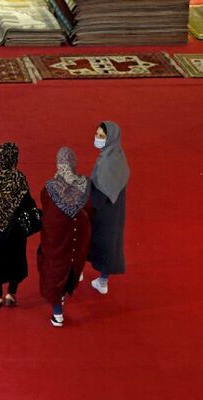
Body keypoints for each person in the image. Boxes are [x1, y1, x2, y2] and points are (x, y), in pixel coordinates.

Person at [38, 147, 93, 327]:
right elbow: (91, 210)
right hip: (79, 234)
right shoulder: (85, 184)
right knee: (71, 263)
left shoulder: (50, 188)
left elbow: (46, 207)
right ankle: (65, 292)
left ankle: (58, 313)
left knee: (54, 266)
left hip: (57, 235)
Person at [0, 142, 37, 308]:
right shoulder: (18, 178)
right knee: (15, 260)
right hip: (15, 229)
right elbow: (27, 203)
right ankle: (11, 294)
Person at [89, 121, 130, 295]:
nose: (97, 139)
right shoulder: (119, 157)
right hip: (116, 212)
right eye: (97, 135)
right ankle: (103, 280)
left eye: (101, 136)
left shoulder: (105, 164)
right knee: (111, 245)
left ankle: (77, 274)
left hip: (102, 212)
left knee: (89, 241)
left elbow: (99, 193)